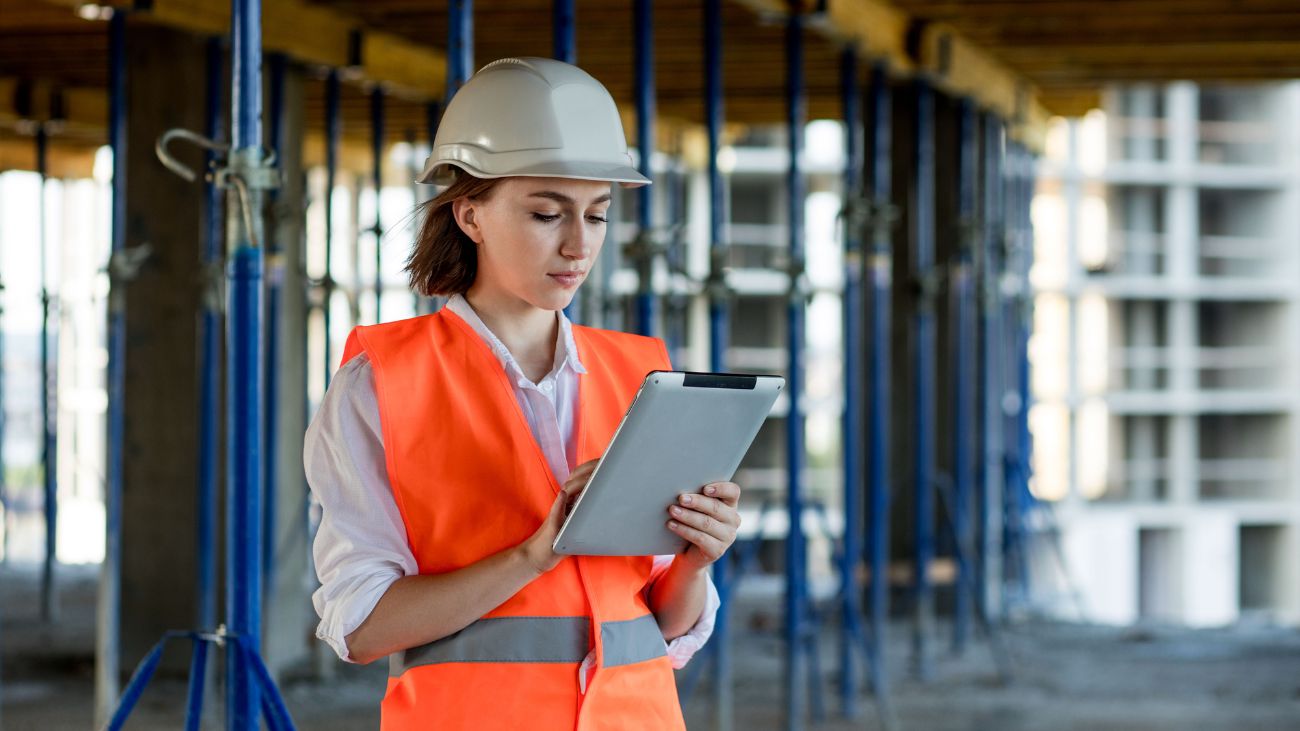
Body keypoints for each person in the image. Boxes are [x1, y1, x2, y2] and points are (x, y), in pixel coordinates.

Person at [304, 57, 743, 730]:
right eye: (546, 213)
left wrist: (696, 559)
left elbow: (665, 627)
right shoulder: (380, 385)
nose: (578, 245)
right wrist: (534, 554)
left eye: (596, 216)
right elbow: (361, 627)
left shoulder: (643, 376)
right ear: (469, 214)